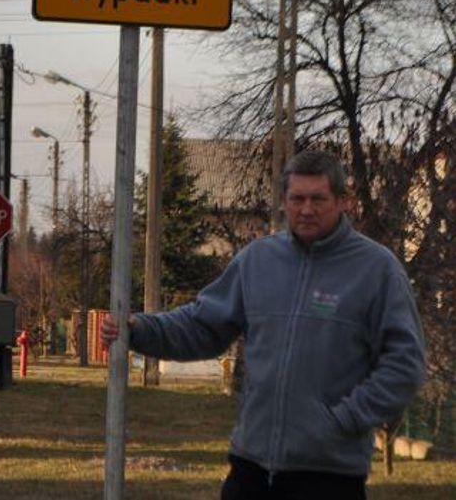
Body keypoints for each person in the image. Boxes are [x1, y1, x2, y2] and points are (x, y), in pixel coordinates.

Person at [101, 149, 425, 499]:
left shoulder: (376, 270)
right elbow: (202, 325)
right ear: (284, 201)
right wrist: (140, 330)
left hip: (329, 476)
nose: (306, 209)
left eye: (318, 199)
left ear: (343, 201)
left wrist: (344, 420)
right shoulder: (258, 261)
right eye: (297, 198)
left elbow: (404, 364)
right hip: (251, 469)